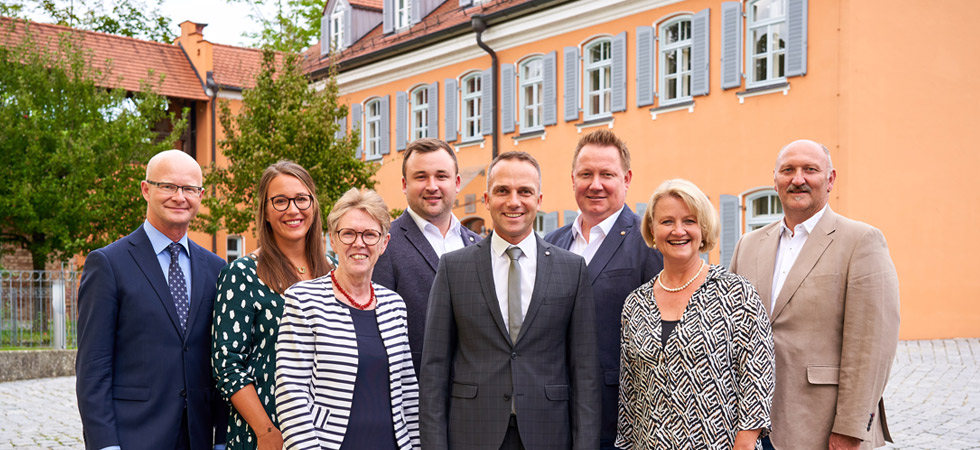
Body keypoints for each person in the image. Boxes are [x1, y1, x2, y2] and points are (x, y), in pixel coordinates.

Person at [420, 151, 601, 450]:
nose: (513, 201)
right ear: (487, 199)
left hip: (548, 435)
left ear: (539, 200)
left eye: (524, 192)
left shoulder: (571, 269)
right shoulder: (453, 268)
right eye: (503, 191)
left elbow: (585, 374)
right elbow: (434, 372)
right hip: (472, 435)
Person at [729, 140, 900, 450]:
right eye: (788, 170)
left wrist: (850, 430)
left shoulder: (861, 241)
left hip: (822, 427)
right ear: (775, 180)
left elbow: (872, 347)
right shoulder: (747, 245)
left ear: (830, 179)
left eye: (810, 169)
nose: (798, 179)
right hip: (750, 427)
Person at [76, 149, 228, 450]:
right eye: (168, 186)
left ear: (200, 196)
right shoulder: (108, 264)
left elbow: (221, 361)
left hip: (199, 437)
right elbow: (94, 367)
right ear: (146, 189)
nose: (179, 197)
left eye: (189, 189)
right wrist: (105, 444)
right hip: (134, 437)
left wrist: (222, 439)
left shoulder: (216, 268)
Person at [616, 179, 774, 450]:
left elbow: (758, 377)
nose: (678, 231)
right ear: (652, 229)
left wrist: (746, 443)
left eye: (689, 221)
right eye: (667, 221)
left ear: (703, 228)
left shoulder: (736, 293)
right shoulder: (636, 304)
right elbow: (630, 394)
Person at [543, 129, 663, 450]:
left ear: (626, 179)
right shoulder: (551, 245)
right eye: (586, 174)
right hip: (554, 416)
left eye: (607, 174)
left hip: (618, 419)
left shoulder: (649, 242)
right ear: (573, 180)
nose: (595, 184)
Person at [275, 188, 420, 450]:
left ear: (384, 243)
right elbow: (290, 393)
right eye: (349, 233)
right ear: (333, 239)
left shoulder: (394, 305)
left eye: (370, 234)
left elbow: (408, 392)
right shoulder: (304, 300)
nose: (359, 243)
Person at [212, 161, 333, 450]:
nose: (293, 209)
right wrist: (266, 431)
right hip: (266, 433)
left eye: (301, 199)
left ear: (314, 205)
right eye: (280, 201)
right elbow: (226, 365)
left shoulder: (335, 271)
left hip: (328, 431)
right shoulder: (242, 274)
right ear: (265, 212)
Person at [374, 138, 482, 373]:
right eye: (421, 177)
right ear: (405, 184)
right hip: (415, 388)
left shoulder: (480, 246)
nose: (432, 186)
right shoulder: (384, 245)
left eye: (441, 176)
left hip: (476, 389)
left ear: (457, 183)